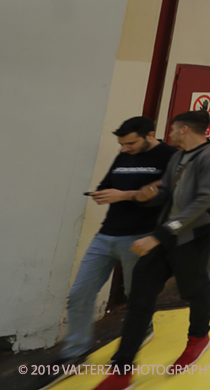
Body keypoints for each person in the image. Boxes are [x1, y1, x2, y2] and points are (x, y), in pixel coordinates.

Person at [95, 110, 210, 390]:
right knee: (140, 297)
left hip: (194, 235)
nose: (167, 135)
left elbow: (204, 200)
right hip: (166, 233)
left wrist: (159, 236)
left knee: (193, 288)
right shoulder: (178, 158)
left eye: (171, 130)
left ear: (183, 130)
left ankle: (199, 337)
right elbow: (167, 193)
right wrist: (147, 197)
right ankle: (121, 371)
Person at [43, 118, 174, 383]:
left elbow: (166, 193)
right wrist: (102, 194)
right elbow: (108, 185)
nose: (124, 149)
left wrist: (124, 195)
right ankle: (75, 351)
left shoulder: (170, 156)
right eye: (121, 144)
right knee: (80, 293)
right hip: (105, 235)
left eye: (130, 143)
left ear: (150, 135)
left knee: (134, 296)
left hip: (141, 236)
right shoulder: (124, 154)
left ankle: (141, 327)